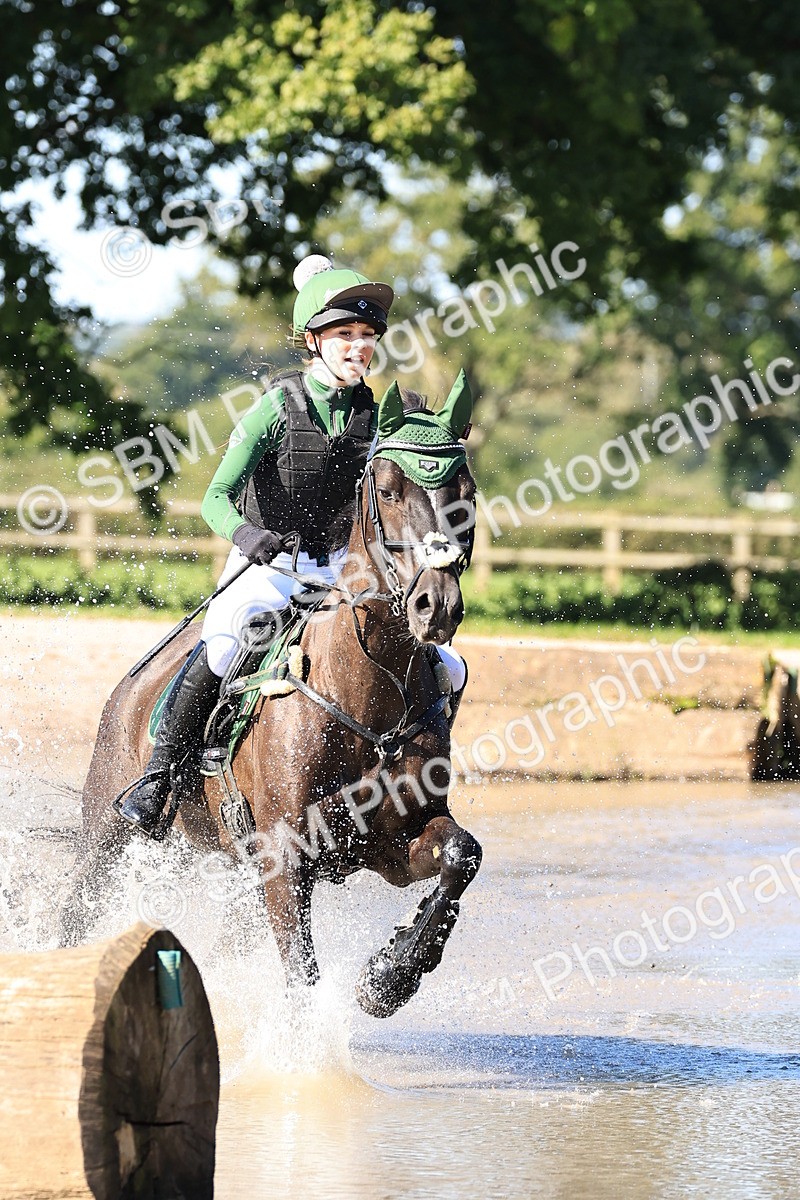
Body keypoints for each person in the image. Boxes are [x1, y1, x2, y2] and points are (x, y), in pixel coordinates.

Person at [116, 255, 467, 837]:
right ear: (314, 342)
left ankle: (408, 776)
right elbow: (214, 499)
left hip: (342, 573)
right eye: (346, 336)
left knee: (448, 669)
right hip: (270, 565)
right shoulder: (275, 409)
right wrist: (250, 536)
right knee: (229, 640)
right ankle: (162, 776)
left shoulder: (378, 420)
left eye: (367, 337)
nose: (360, 347)